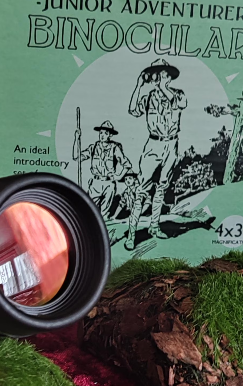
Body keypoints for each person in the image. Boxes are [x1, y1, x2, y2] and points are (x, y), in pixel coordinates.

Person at [125, 58, 187, 249]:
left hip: (172, 145)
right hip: (153, 145)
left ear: (169, 77)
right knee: (142, 190)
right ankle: (132, 233)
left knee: (161, 188)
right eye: (157, 75)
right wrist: (139, 86)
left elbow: (180, 104)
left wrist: (162, 87)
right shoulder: (148, 97)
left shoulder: (178, 94)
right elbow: (133, 110)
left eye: (164, 74)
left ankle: (154, 226)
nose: (160, 78)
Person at [72, 120, 132, 219]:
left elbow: (127, 164)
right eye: (101, 133)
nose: (102, 135)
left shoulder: (115, 148)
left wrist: (118, 176)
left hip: (109, 184)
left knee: (103, 214)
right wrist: (76, 139)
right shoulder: (93, 147)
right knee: (89, 211)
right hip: (95, 184)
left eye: (105, 133)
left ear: (110, 135)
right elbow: (76, 157)